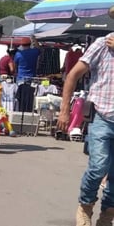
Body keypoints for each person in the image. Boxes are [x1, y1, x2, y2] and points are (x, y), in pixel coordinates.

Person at [57, 33, 114, 226]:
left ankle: (107, 214)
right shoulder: (102, 44)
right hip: (102, 117)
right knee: (99, 167)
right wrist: (65, 110)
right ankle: (85, 205)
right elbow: (73, 74)